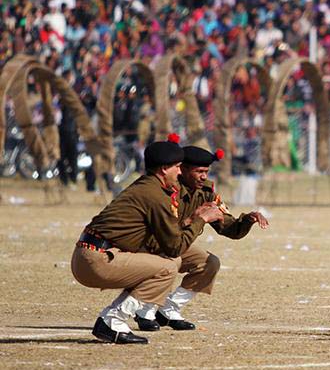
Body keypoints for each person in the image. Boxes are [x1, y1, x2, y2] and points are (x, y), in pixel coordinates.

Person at [70, 134, 224, 344]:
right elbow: (174, 247)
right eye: (177, 167)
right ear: (163, 169)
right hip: (97, 259)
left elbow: (171, 236)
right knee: (168, 266)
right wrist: (201, 219)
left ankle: (138, 314)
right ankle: (112, 320)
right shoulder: (155, 195)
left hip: (96, 254)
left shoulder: (152, 187)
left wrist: (193, 220)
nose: (180, 171)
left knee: (171, 262)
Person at [134, 145, 269, 331]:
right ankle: (144, 310)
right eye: (199, 171)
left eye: (206, 171)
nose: (204, 176)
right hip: (147, 244)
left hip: (176, 243)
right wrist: (194, 219)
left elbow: (229, 228)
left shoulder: (206, 192)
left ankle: (168, 310)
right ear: (182, 169)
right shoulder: (164, 189)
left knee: (209, 263)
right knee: (170, 260)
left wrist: (247, 220)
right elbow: (160, 231)